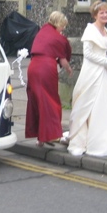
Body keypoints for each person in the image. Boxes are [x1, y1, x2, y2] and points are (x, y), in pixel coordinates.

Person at [66, 1, 107, 157]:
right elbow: (89, 54)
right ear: (95, 15)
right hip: (91, 72)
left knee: (101, 106)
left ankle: (101, 141)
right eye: (101, 13)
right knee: (87, 105)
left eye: (106, 12)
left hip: (102, 73)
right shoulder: (90, 30)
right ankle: (81, 141)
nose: (105, 15)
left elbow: (102, 51)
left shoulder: (106, 32)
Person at [25, 11, 72, 147]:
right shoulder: (58, 37)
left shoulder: (42, 32)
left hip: (33, 67)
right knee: (51, 102)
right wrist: (69, 69)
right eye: (63, 25)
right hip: (46, 68)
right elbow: (63, 60)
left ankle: (41, 138)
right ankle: (50, 135)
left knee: (38, 101)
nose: (63, 29)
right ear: (59, 23)